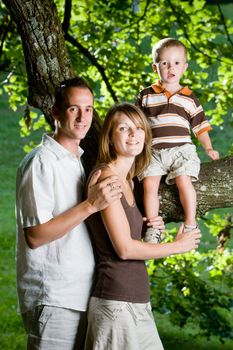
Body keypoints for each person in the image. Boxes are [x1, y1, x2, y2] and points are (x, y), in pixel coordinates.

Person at [15, 77, 123, 350]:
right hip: (54, 295)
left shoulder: (76, 161)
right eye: (74, 108)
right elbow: (36, 236)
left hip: (82, 293)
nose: (82, 117)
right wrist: (90, 205)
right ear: (55, 112)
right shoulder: (41, 162)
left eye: (88, 109)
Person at [84, 102, 201, 350]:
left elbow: (137, 250)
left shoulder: (129, 181)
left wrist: (153, 232)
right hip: (116, 305)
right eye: (124, 128)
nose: (133, 134)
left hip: (137, 302)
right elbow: (125, 250)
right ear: (109, 137)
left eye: (138, 128)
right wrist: (177, 247)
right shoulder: (107, 178)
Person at [136, 37, 219, 243]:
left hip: (181, 150)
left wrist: (208, 147)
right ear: (156, 68)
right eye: (164, 63)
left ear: (184, 67)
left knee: (184, 180)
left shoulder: (189, 98)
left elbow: (200, 127)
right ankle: (154, 226)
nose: (170, 67)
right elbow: (137, 123)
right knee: (149, 185)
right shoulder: (146, 95)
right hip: (154, 151)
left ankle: (190, 223)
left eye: (176, 63)